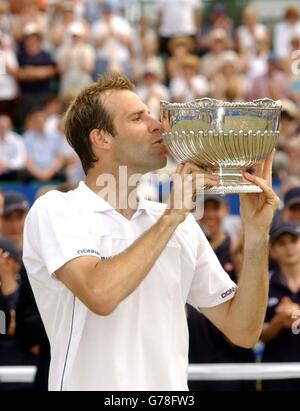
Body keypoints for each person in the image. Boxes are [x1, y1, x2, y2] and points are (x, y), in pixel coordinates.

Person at [23, 72, 279, 391]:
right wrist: (171, 216)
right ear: (101, 138)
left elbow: (243, 330)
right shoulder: (57, 210)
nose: (158, 125)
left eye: (150, 114)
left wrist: (257, 234)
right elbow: (100, 294)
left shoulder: (179, 221)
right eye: (137, 117)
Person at [261, 221, 300, 390]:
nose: (289, 247)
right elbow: (255, 334)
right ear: (273, 251)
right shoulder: (263, 285)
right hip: (275, 373)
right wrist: (278, 321)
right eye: (281, 243)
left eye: (293, 240)